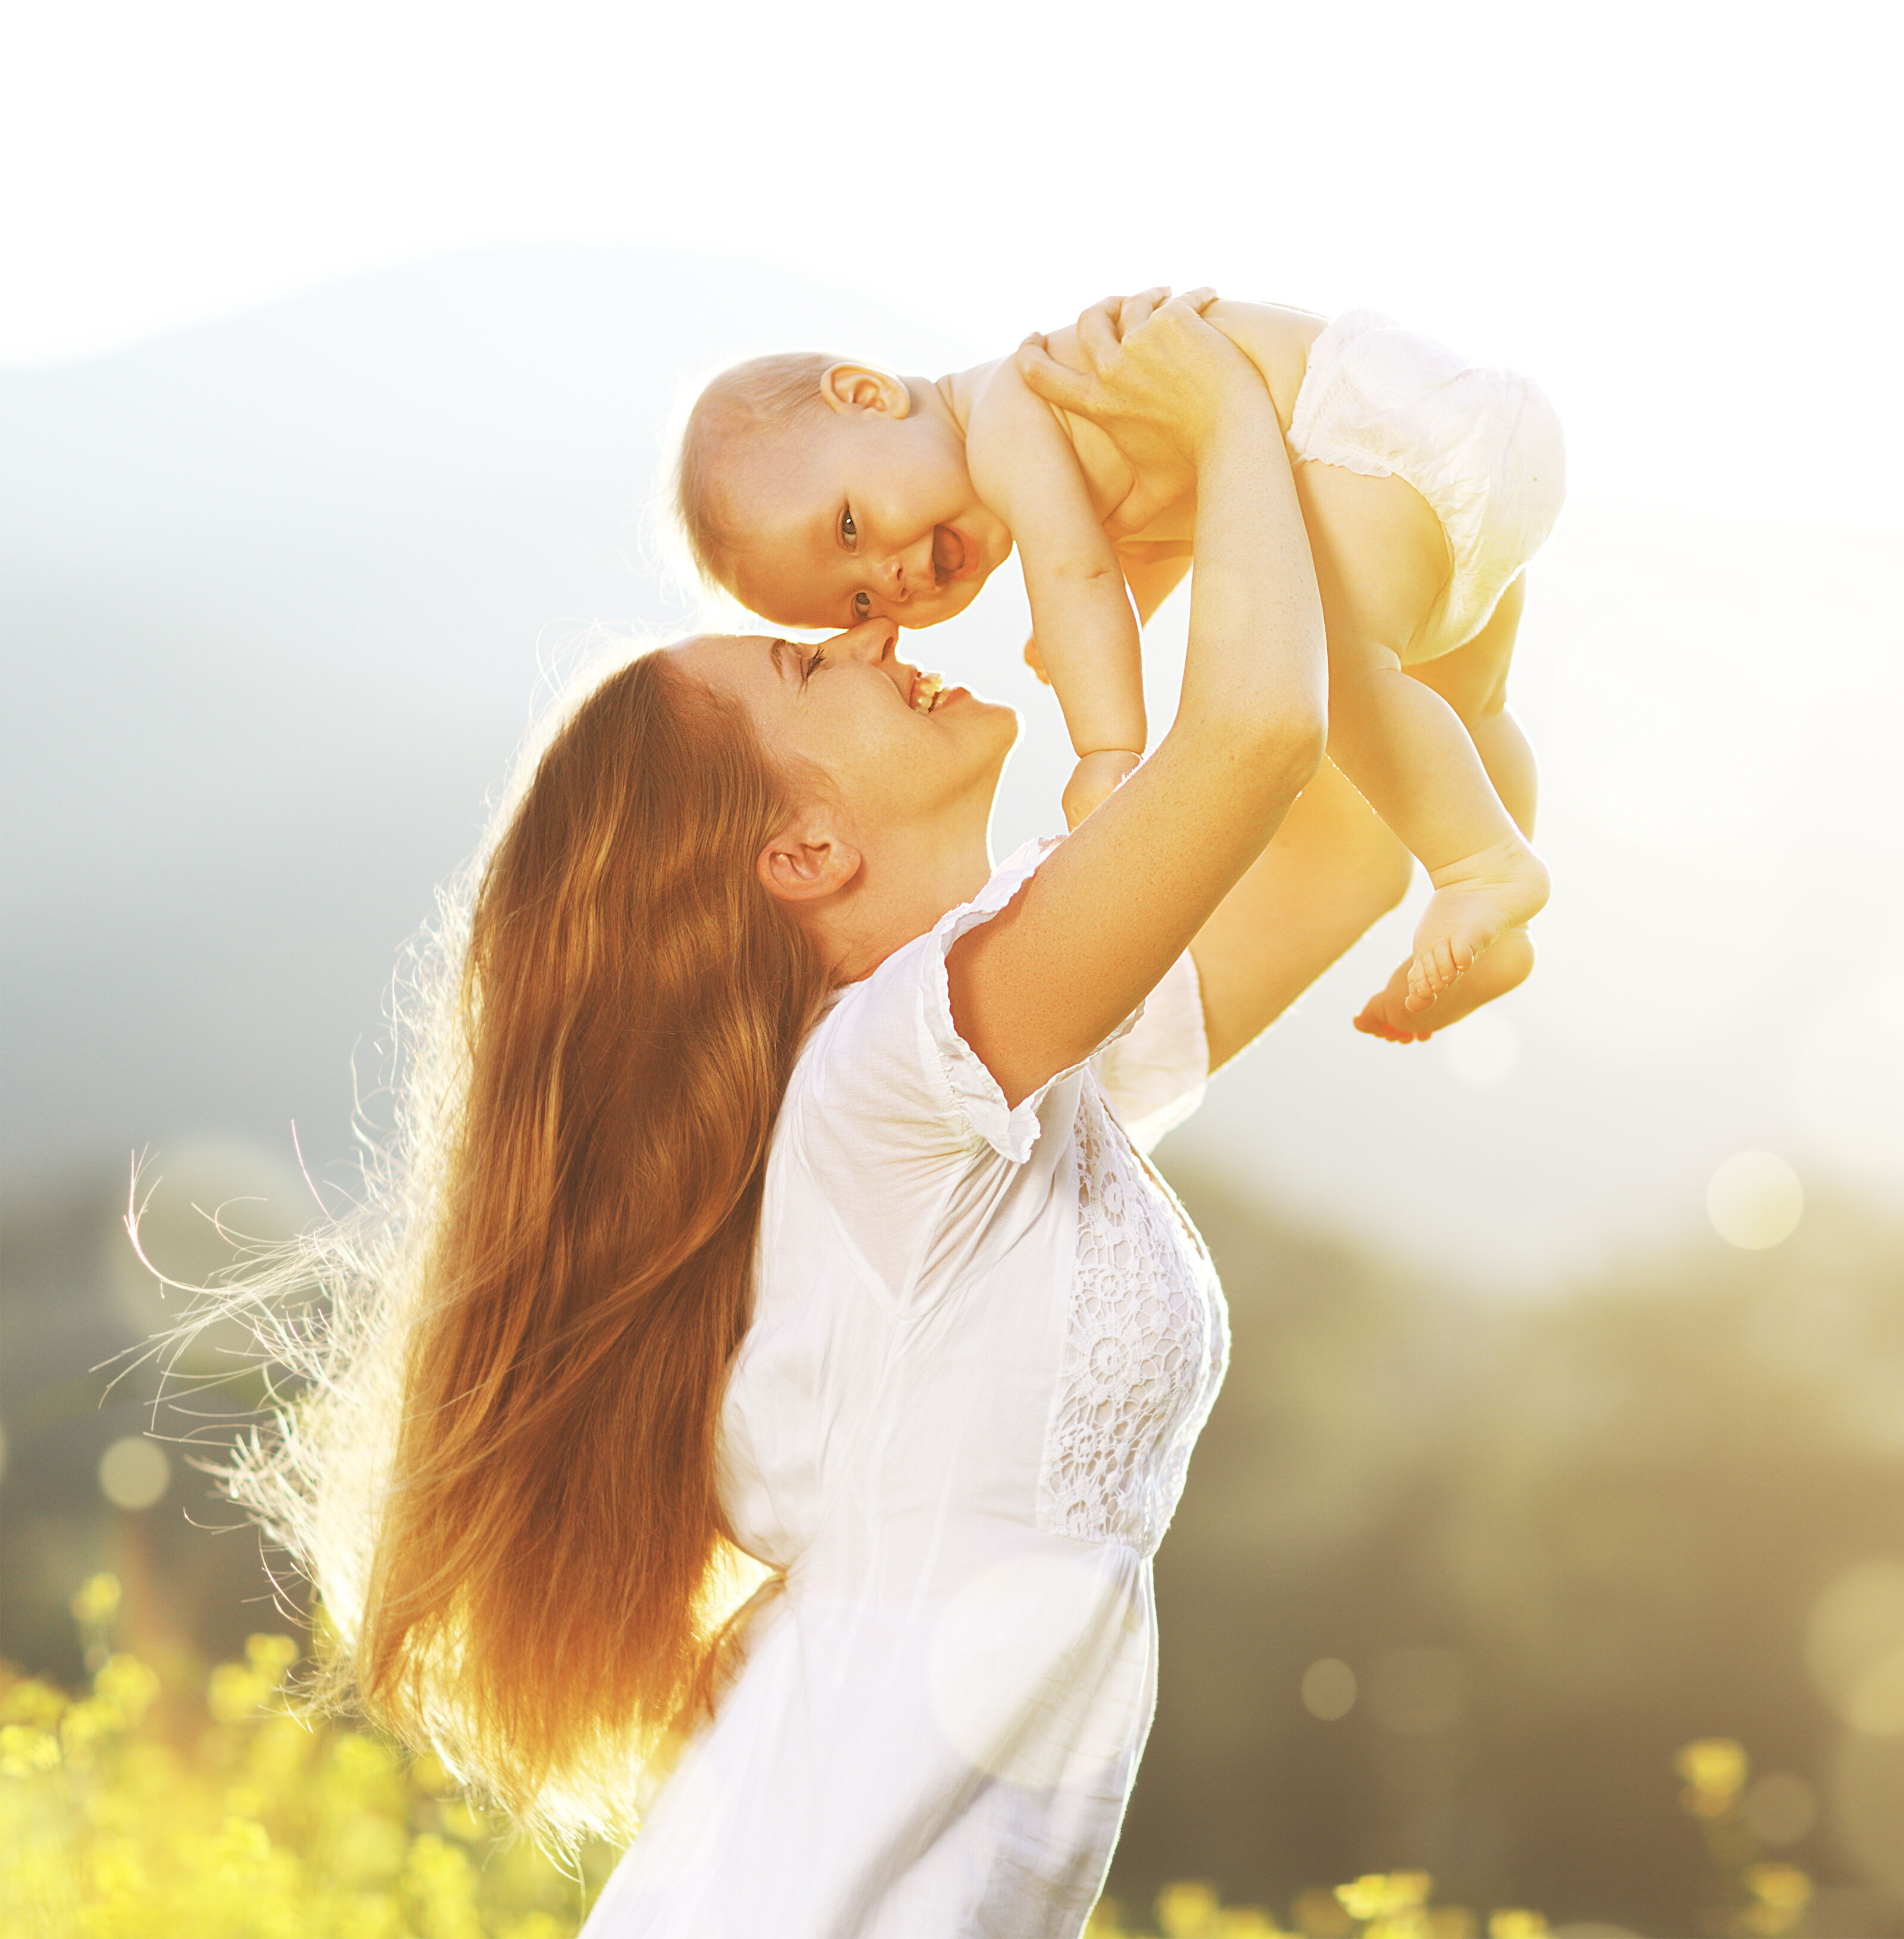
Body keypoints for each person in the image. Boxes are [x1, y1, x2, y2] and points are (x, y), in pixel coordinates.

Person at [205, 290, 1411, 1938]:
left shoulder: (982, 1086)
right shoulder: (894, 1078)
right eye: (804, 658)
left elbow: (1351, 849)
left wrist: (1401, 513)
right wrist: (1222, 412)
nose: (869, 633)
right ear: (802, 855)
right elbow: (1258, 738)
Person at [672, 292, 1563, 1042]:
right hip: (1460, 432)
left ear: (867, 395)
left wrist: (1107, 749)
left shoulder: (1010, 415)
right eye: (860, 603)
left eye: (850, 530)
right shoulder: (1062, 415)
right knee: (1474, 704)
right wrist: (1125, 610)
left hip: (1376, 436)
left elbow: (1077, 573)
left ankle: (1481, 870)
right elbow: (1172, 521)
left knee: (1344, 667)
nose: (888, 579)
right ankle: (1505, 902)